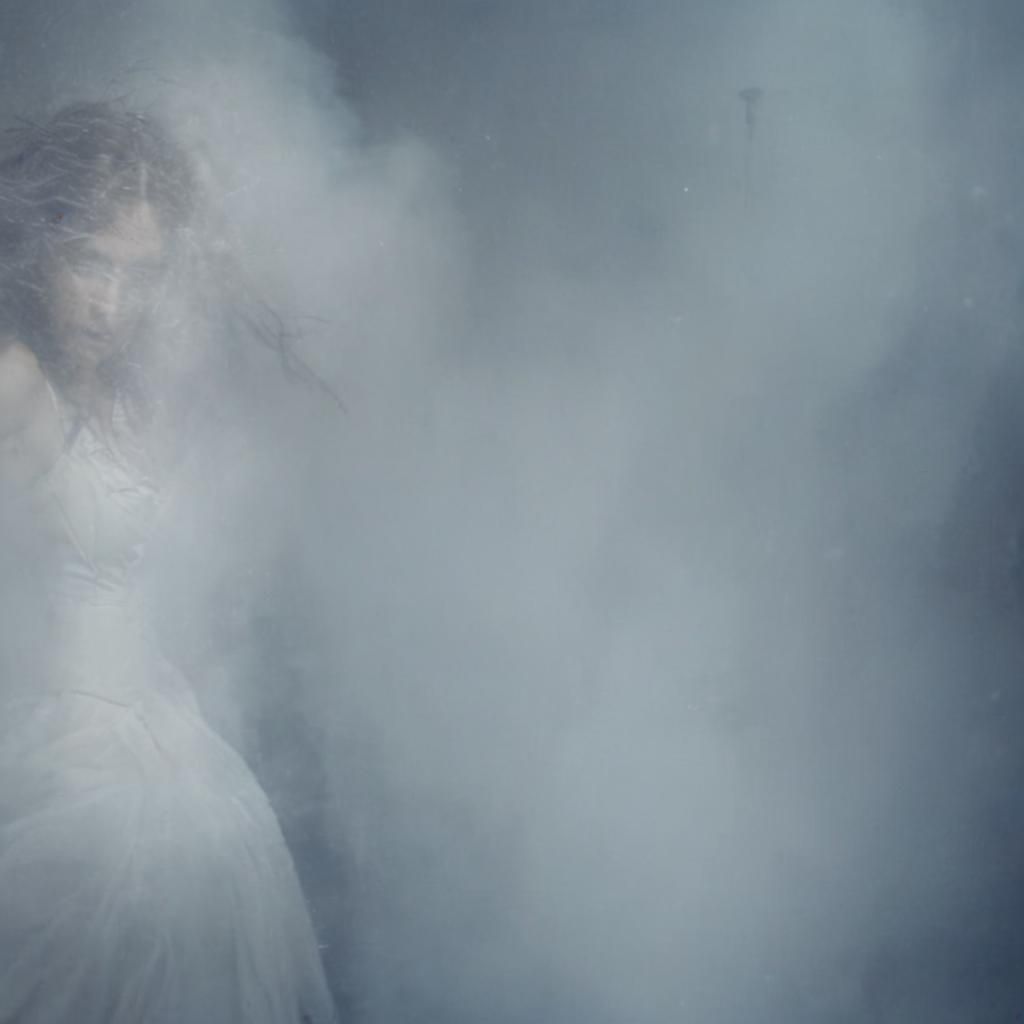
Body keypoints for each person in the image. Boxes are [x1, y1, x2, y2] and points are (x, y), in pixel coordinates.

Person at [0, 103, 337, 1023]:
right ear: (42, 249)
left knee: (196, 908)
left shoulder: (127, 391)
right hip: (57, 746)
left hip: (157, 729)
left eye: (138, 273)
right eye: (89, 264)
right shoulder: (14, 380)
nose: (111, 302)